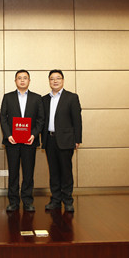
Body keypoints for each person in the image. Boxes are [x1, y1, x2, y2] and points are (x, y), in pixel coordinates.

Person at [0, 70, 44, 212]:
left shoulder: (37, 98)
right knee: (13, 173)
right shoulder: (8, 97)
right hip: (12, 141)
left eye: (25, 78)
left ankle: (27, 201)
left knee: (28, 173)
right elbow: (3, 118)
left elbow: (41, 119)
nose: (22, 80)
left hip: (29, 141)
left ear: (29, 81)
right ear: (15, 81)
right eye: (19, 78)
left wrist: (34, 135)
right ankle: (13, 202)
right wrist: (8, 135)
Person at [41, 69, 82, 212]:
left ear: (63, 80)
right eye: (52, 79)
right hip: (49, 139)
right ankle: (56, 200)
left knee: (66, 172)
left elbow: (77, 120)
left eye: (58, 78)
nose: (55, 81)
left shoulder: (71, 97)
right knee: (53, 172)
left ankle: (68, 201)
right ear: (49, 81)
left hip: (66, 140)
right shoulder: (44, 99)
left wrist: (77, 139)